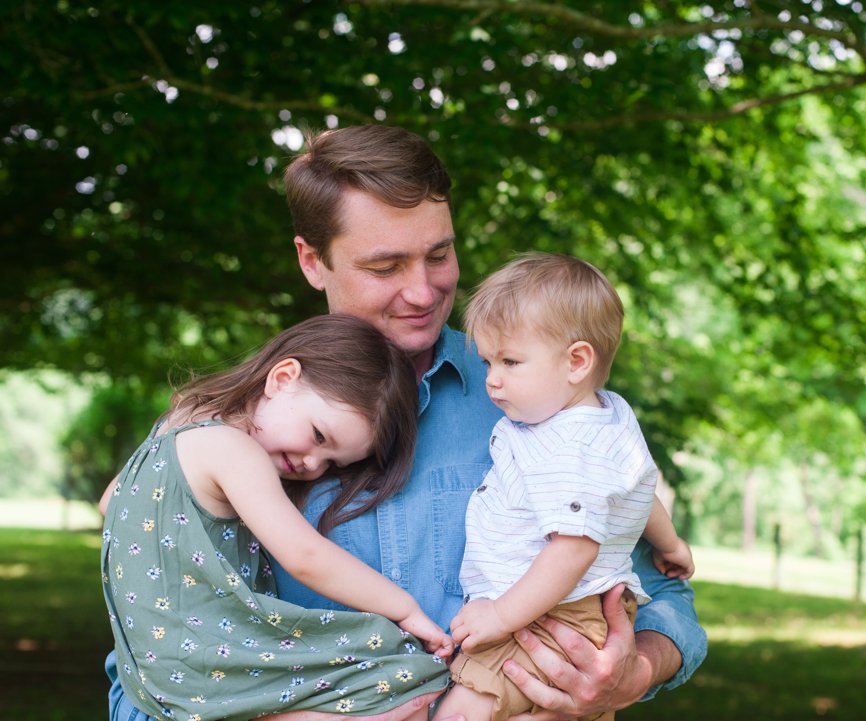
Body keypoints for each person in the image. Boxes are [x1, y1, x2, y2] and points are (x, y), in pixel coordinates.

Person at [106, 124, 707, 721]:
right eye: (385, 266)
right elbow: (153, 651)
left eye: (439, 255)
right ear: (312, 261)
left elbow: (663, 587)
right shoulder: (236, 425)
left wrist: (639, 669)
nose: (422, 290)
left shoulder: (550, 396)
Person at [100, 314, 453, 721]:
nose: (311, 464)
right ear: (282, 378)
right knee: (407, 672)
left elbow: (111, 502)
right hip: (207, 662)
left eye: (331, 462)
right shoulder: (232, 448)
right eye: (319, 436)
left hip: (151, 671)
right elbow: (305, 556)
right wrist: (404, 609)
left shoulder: (178, 422)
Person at [438, 253, 695, 721]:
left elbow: (573, 549)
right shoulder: (609, 415)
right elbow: (638, 491)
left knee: (460, 712)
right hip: (580, 616)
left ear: (576, 362)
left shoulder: (564, 446)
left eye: (511, 362)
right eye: (488, 361)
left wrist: (498, 617)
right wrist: (670, 542)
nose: (492, 380)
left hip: (543, 615)